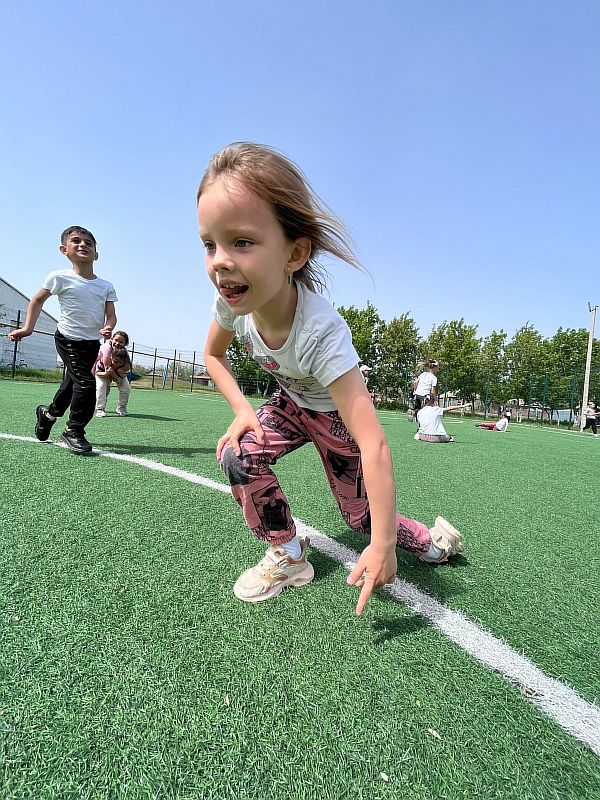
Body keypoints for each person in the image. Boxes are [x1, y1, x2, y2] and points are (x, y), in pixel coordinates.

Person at [198, 142, 464, 617]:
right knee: (237, 455)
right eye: (209, 243)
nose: (219, 260)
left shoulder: (321, 333)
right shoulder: (232, 304)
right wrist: (243, 410)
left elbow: (374, 445)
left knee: (362, 520)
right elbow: (212, 356)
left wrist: (383, 545)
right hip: (292, 403)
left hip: (335, 418)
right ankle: (290, 555)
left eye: (241, 241)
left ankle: (432, 542)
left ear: (294, 252)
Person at [8, 226, 117, 453]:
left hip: (90, 344)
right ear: (64, 250)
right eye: (76, 241)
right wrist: (28, 328)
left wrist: (108, 326)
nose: (83, 245)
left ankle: (47, 414)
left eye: (88, 243)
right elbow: (37, 300)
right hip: (68, 339)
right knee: (86, 384)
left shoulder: (105, 286)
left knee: (71, 386)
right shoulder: (59, 277)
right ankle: (73, 431)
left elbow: (111, 315)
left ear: (96, 253)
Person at [93, 330, 132, 417]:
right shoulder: (106, 348)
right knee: (102, 387)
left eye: (121, 342)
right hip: (103, 370)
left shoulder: (123, 352)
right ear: (111, 339)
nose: (117, 343)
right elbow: (108, 368)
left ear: (125, 344)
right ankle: (100, 408)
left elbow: (127, 367)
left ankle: (121, 407)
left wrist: (122, 375)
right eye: (116, 340)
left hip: (117, 372)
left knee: (126, 388)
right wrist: (117, 378)